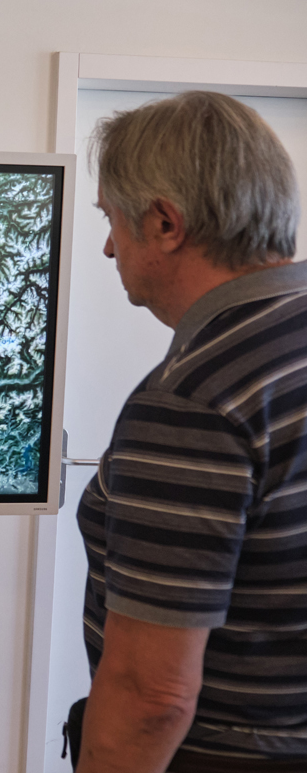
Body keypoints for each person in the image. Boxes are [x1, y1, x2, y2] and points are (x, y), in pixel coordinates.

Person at [74, 90, 307, 772]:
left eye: (112, 219)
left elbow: (152, 696)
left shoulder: (195, 400)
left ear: (165, 223)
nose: (109, 246)